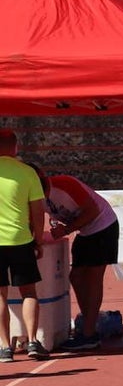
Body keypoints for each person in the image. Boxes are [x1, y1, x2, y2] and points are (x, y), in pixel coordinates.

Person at [33, 168, 120, 352]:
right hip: (85, 231)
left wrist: (66, 229)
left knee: (94, 276)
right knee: (76, 276)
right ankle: (90, 323)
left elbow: (92, 211)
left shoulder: (65, 184)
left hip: (103, 226)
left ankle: (89, 334)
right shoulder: (35, 194)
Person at [0, 130, 49, 361]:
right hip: (21, 240)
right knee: (29, 292)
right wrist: (38, 240)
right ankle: (31, 341)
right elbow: (38, 212)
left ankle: (4, 347)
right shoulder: (27, 172)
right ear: (15, 147)